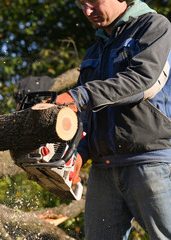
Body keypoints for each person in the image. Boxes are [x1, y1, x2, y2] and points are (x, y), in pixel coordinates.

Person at [55, 0, 171, 239]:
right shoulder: (96, 50)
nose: (87, 12)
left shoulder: (155, 27)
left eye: (93, 3)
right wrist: (79, 152)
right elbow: (86, 115)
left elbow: (143, 81)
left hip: (151, 161)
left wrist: (80, 95)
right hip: (103, 169)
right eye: (81, 5)